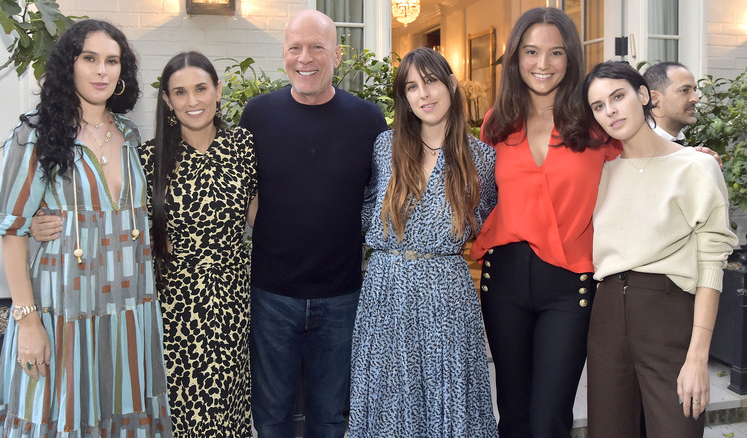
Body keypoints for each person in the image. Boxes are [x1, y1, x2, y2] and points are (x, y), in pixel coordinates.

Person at [0, 19, 172, 436]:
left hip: (129, 307)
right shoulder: (34, 134)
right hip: (65, 309)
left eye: (112, 61)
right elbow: (12, 231)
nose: (102, 71)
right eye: (90, 59)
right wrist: (28, 323)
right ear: (68, 66)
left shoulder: (129, 133)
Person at [469, 7, 621, 437]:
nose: (542, 64)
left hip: (570, 281)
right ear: (516, 57)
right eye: (531, 52)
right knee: (513, 415)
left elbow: (643, 158)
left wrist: (687, 157)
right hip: (504, 279)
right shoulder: (499, 121)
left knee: (550, 417)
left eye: (555, 53)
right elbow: (480, 192)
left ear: (571, 58)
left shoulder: (595, 122)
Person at [238, 9, 387, 438]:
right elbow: (240, 191)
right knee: (271, 418)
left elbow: (384, 199)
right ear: (283, 54)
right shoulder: (257, 115)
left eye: (317, 47)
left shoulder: (368, 121)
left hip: (342, 296)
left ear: (337, 55)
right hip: (272, 296)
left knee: (329, 418)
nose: (305, 58)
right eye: (295, 48)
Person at [348, 47, 499, 437]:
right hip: (386, 293)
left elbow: (489, 222)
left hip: (446, 296)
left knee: (446, 398)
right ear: (405, 97)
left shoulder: (481, 157)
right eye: (412, 87)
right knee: (388, 401)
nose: (424, 94)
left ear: (451, 84)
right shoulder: (385, 147)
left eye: (431, 81)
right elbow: (364, 206)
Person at [583, 60, 737, 438]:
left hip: (669, 315)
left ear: (644, 96)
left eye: (617, 96)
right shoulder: (599, 173)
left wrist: (698, 356)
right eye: (598, 106)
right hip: (605, 318)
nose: (610, 111)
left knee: (677, 428)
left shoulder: (696, 167)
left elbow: (712, 264)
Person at [139, 51, 257, 437]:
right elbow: (120, 223)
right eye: (180, 92)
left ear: (218, 90)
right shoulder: (149, 158)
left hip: (233, 298)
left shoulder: (243, 146)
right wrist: (44, 221)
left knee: (230, 405)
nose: (193, 101)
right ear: (168, 100)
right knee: (183, 409)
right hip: (176, 305)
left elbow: (261, 217)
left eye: (201, 88)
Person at [643, 61, 700, 143]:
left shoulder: (678, 143)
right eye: (685, 90)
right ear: (654, 98)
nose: (696, 98)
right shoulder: (640, 148)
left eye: (694, 90)